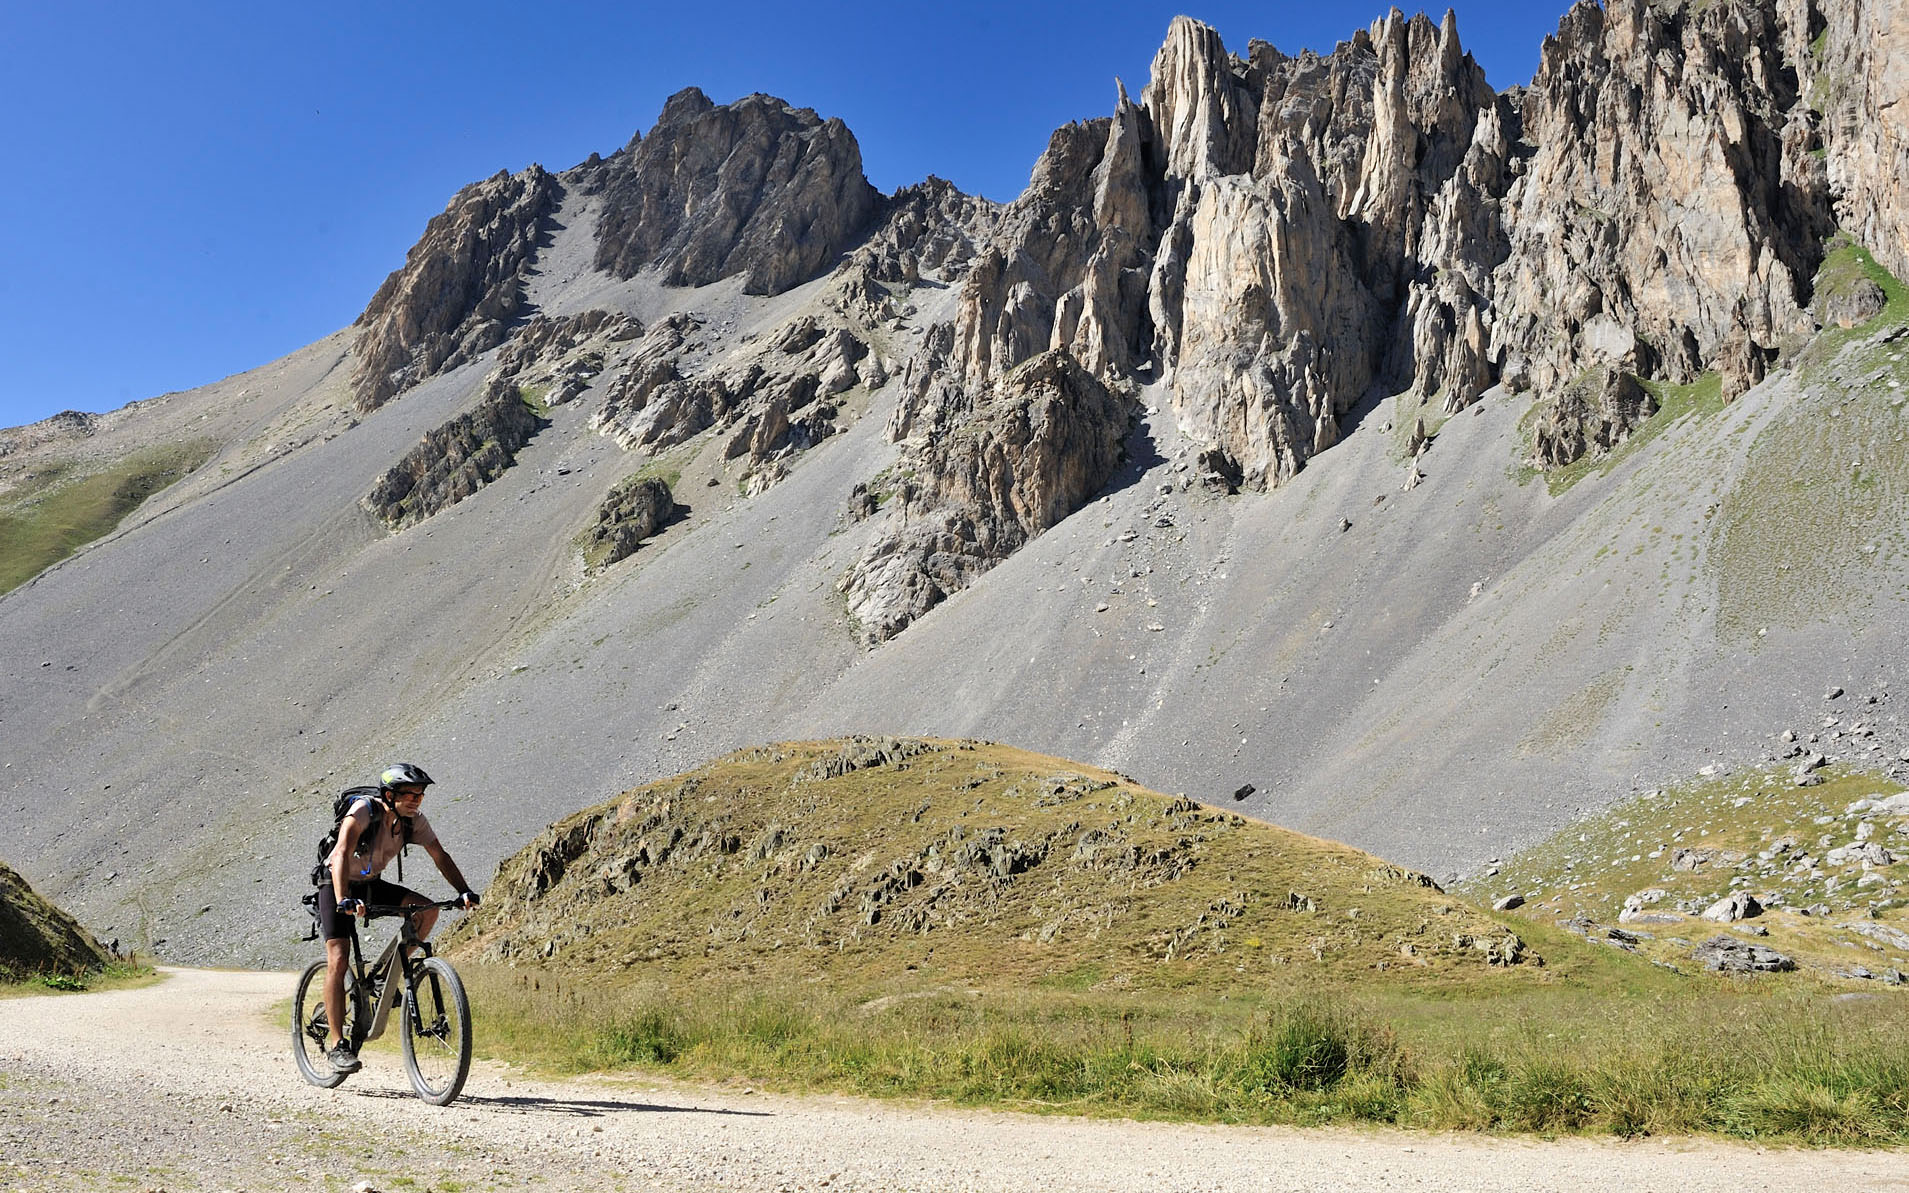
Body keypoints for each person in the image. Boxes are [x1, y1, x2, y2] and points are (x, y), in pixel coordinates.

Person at [315, 763, 478, 1074]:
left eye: (420, 795)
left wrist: (464, 891)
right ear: (390, 795)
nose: (417, 800)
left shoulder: (412, 821)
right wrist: (342, 900)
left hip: (370, 883)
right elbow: (342, 852)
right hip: (335, 881)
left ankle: (382, 981)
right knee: (338, 957)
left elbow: (439, 855)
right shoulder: (363, 811)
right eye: (410, 794)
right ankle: (338, 1046)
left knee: (427, 910)